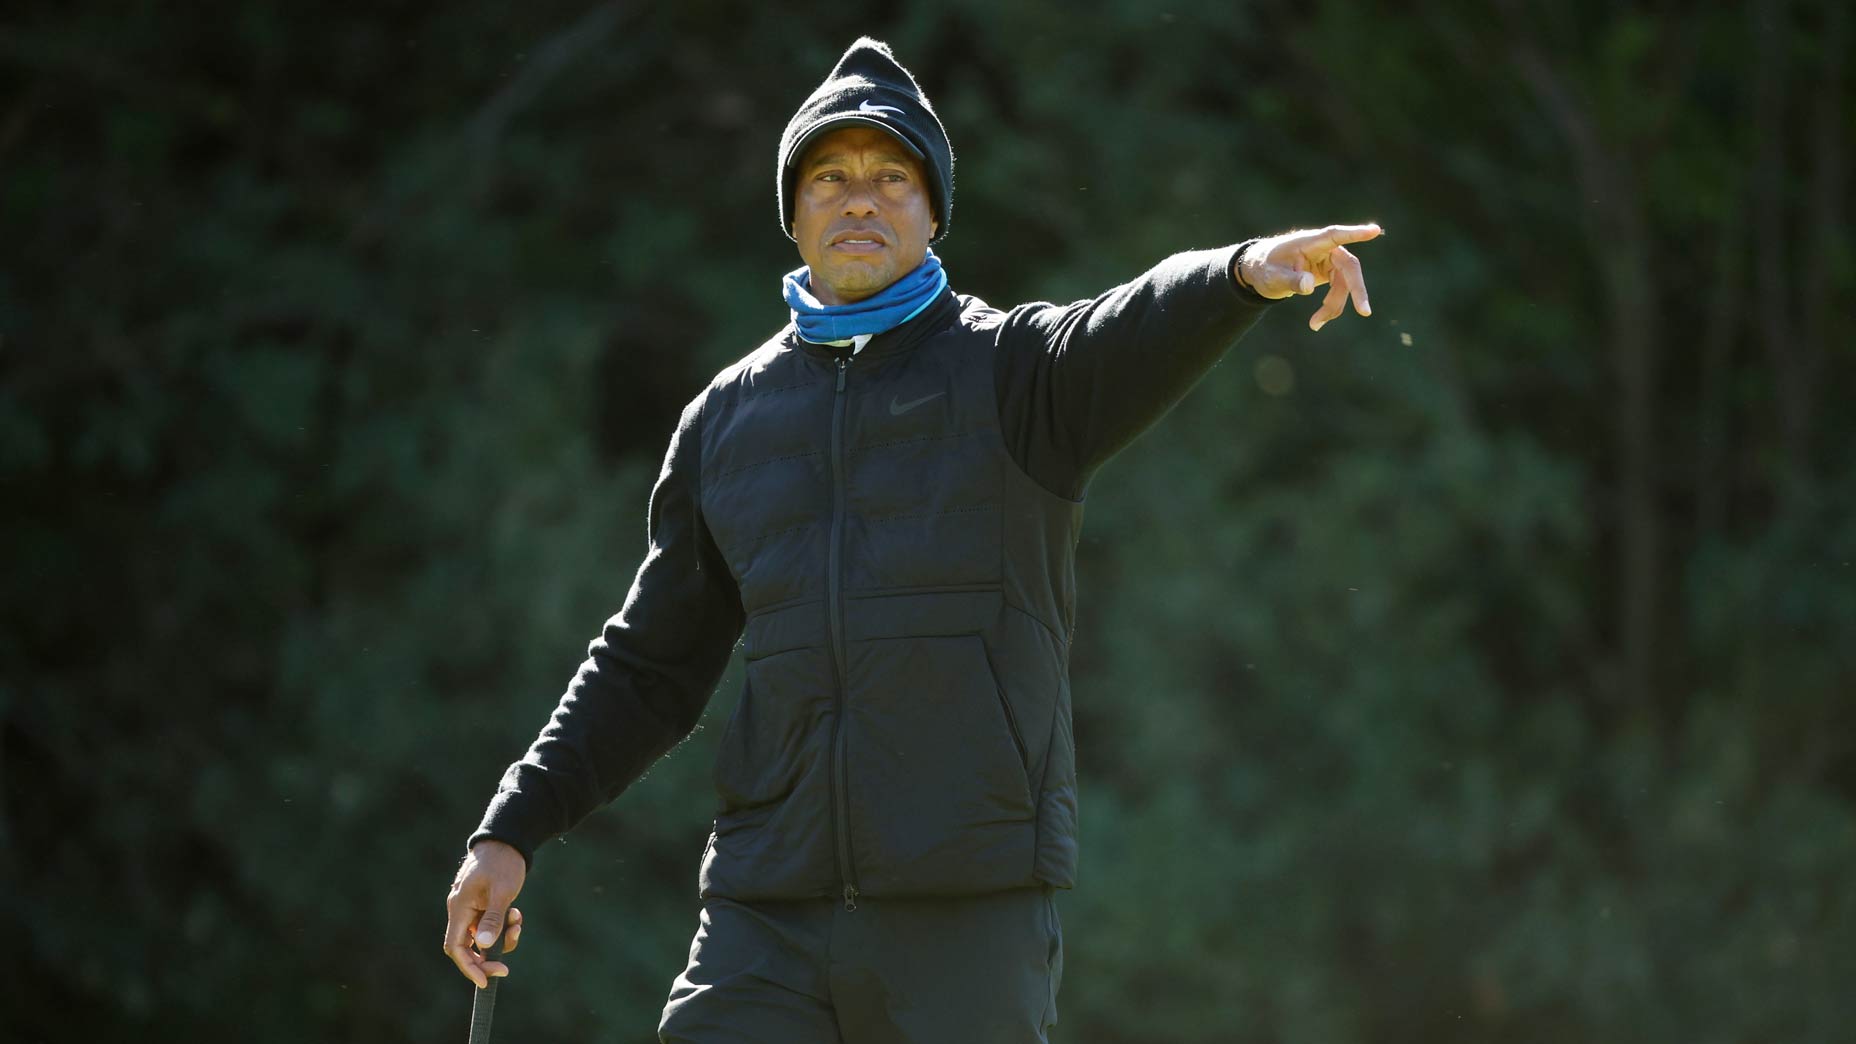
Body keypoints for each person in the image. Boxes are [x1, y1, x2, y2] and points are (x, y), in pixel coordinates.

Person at [444, 36, 1380, 1043]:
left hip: (965, 915)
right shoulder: (723, 422)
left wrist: (1240, 272)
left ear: (931, 211)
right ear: (794, 216)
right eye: (829, 178)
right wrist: (514, 826)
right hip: (768, 916)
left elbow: (1131, 322)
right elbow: (647, 667)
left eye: (890, 177)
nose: (859, 199)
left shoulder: (1018, 375)